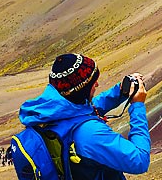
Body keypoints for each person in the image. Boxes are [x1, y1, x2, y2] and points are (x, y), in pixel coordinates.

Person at [17, 53, 150, 179]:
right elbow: (139, 161)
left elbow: (83, 110)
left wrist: (120, 91)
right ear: (82, 89)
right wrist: (137, 106)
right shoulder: (91, 133)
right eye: (93, 82)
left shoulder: (49, 110)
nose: (97, 84)